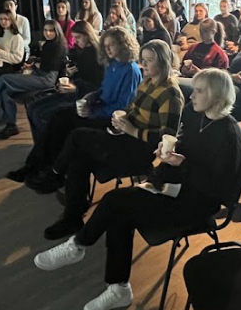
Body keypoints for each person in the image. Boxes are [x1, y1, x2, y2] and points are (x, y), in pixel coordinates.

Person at [32, 68, 241, 310]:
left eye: (199, 91)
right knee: (119, 211)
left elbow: (218, 189)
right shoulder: (194, 113)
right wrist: (166, 156)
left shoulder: (229, 135)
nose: (192, 96)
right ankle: (117, 286)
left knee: (115, 203)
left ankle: (79, 246)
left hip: (197, 203)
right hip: (176, 185)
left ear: (217, 96)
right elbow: (185, 147)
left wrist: (181, 165)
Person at [38, 39, 184, 240]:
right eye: (143, 59)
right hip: (125, 137)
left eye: (149, 60)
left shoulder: (171, 93)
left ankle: (55, 174)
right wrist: (121, 115)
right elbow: (132, 109)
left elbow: (166, 138)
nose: (144, 64)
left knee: (78, 135)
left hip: (139, 150)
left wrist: (132, 130)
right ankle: (73, 217)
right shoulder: (147, 81)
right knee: (78, 158)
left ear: (163, 61)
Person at [11, 27, 141, 184]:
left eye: (111, 45)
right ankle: (34, 165)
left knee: (66, 124)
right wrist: (92, 96)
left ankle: (53, 172)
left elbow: (122, 107)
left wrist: (92, 112)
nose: (107, 49)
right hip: (97, 109)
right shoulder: (112, 64)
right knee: (57, 117)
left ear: (123, 45)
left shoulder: (131, 70)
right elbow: (104, 89)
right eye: (105, 45)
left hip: (109, 120)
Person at [25, 21, 106, 144]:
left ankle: (48, 148)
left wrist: (75, 87)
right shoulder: (82, 51)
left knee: (41, 114)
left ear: (87, 35)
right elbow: (81, 74)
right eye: (74, 38)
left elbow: (96, 85)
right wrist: (70, 74)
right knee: (32, 108)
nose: (76, 41)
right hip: (76, 90)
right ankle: (41, 147)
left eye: (78, 38)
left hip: (83, 95)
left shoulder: (95, 55)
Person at [0, 19, 68, 140]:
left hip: (47, 78)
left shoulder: (58, 46)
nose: (48, 33)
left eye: (51, 30)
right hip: (39, 74)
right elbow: (44, 62)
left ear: (57, 31)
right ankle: (11, 125)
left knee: (4, 78)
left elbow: (49, 67)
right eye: (45, 30)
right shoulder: (47, 45)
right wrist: (34, 63)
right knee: (5, 91)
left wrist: (35, 65)